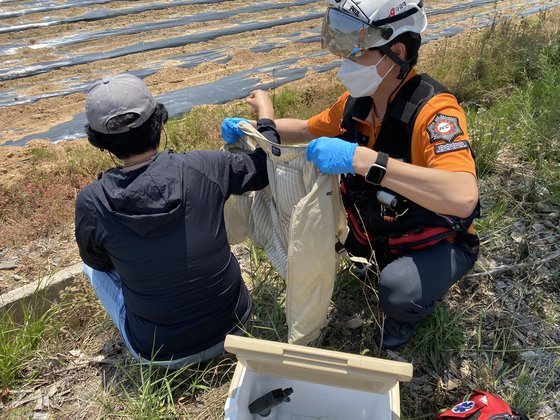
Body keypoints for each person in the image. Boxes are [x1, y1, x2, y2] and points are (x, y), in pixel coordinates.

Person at [223, 0, 480, 350]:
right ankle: (374, 256)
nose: (346, 63)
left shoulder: (433, 112)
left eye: (357, 51)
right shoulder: (357, 102)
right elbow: (303, 128)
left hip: (435, 239)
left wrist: (364, 160)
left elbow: (463, 197)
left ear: (397, 51)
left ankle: (403, 319)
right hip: (381, 224)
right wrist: (254, 128)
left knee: (398, 289)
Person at [75, 73, 279, 367]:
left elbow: (99, 262)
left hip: (158, 352)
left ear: (100, 143)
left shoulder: (92, 201)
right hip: (235, 324)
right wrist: (265, 115)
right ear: (159, 122)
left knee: (90, 267)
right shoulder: (205, 166)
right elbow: (263, 167)